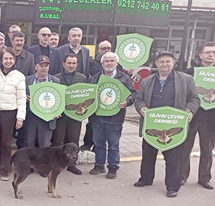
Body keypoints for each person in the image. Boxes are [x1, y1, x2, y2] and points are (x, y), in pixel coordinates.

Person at [134, 51, 200, 198]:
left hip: (173, 126)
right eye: (161, 62)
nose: (164, 64)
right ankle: (146, 179)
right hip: (152, 125)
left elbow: (194, 99)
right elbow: (139, 99)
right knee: (148, 154)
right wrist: (142, 108)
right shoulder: (146, 81)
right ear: (156, 64)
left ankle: (172, 186)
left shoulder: (186, 79)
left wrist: (189, 111)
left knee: (173, 158)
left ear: (173, 63)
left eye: (167, 62)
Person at [89, 52, 135, 179]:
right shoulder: (95, 77)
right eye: (106, 61)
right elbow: (90, 94)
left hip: (115, 117)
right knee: (98, 143)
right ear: (102, 63)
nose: (109, 63)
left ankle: (113, 167)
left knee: (113, 144)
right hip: (98, 116)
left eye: (112, 61)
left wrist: (127, 102)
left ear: (116, 63)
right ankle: (99, 165)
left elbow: (133, 94)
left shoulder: (124, 78)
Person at [0, 47, 26, 180]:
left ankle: (5, 170)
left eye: (10, 58)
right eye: (5, 58)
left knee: (6, 142)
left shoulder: (19, 77)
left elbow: (21, 98)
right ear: (1, 60)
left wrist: (20, 117)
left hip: (9, 113)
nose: (8, 61)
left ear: (14, 60)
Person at [181, 42, 215, 190]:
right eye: (208, 52)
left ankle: (204, 178)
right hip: (192, 115)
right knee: (184, 148)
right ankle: (181, 176)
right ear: (200, 55)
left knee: (207, 150)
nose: (211, 55)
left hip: (211, 117)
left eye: (213, 52)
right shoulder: (190, 72)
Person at [52, 53, 87, 175]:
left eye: (73, 63)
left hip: (75, 115)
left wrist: (84, 110)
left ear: (77, 64)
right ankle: (56, 163)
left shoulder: (82, 78)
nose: (71, 65)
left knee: (73, 140)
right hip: (60, 115)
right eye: (69, 63)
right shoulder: (56, 78)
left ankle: (72, 164)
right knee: (57, 140)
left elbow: (85, 95)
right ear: (63, 64)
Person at [24, 55, 61, 149]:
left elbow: (59, 100)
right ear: (36, 66)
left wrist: (57, 112)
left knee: (44, 147)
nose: (44, 68)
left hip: (47, 119)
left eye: (46, 65)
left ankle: (43, 164)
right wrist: (24, 98)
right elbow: (20, 96)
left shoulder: (56, 81)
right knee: (29, 145)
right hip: (31, 118)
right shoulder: (27, 80)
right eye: (41, 65)